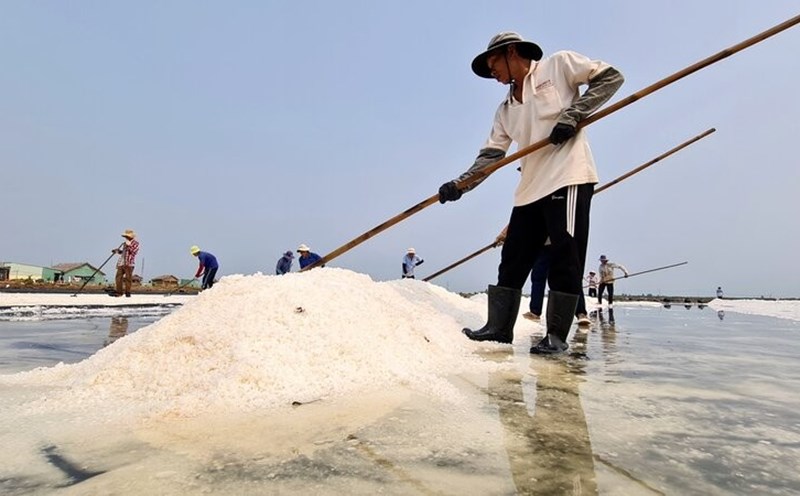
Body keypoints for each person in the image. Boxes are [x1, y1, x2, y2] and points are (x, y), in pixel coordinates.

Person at [439, 31, 623, 354]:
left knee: (566, 255)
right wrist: (460, 185)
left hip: (569, 176)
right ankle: (498, 328)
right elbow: (491, 156)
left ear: (512, 53)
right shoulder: (506, 110)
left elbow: (610, 77)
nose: (492, 73)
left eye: (493, 63)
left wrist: (573, 114)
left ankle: (555, 337)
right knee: (512, 257)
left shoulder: (558, 66)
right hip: (530, 188)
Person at [111, 229, 140, 297]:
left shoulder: (135, 243)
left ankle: (127, 293)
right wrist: (117, 251)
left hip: (129, 263)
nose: (126, 238)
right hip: (122, 263)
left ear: (131, 237)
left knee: (128, 278)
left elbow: (133, 252)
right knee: (118, 277)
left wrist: (129, 245)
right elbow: (124, 253)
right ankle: (119, 292)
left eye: (127, 236)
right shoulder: (125, 244)